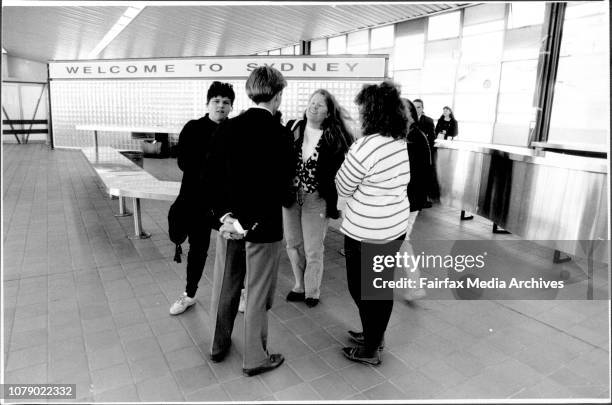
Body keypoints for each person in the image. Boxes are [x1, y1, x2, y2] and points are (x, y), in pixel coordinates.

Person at [206, 66, 294, 377]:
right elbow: (282, 189)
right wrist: (253, 221)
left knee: (225, 287)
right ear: (278, 95)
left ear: (250, 92)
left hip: (229, 226)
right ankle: (255, 357)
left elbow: (212, 179)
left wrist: (227, 217)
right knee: (257, 293)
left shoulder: (226, 129)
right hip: (264, 229)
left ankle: (218, 345)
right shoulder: (281, 135)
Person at [335, 80, 411, 366]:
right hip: (393, 228)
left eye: (363, 109)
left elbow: (343, 186)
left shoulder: (365, 146)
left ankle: (370, 348)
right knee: (379, 287)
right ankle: (373, 334)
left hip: (366, 231)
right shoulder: (399, 141)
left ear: (373, 112)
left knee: (361, 288)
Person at [169, 81, 235, 315]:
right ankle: (189, 295)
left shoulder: (235, 130)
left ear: (231, 107)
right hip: (197, 202)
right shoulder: (193, 128)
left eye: (226, 102)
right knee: (198, 250)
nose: (220, 106)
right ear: (207, 104)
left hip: (226, 205)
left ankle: (240, 293)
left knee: (236, 250)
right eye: (216, 101)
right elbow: (183, 162)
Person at [283, 89, 353, 308]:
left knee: (313, 248)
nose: (313, 106)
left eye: (320, 105)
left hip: (317, 198)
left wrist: (337, 202)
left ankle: (312, 290)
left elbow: (341, 172)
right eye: (311, 102)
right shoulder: (294, 128)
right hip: (291, 196)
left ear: (328, 112)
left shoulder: (334, 137)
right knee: (293, 244)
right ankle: (299, 284)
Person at [400, 98, 433, 302]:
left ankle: (416, 285)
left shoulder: (414, 138)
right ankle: (415, 285)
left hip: (408, 200)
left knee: (401, 241)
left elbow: (414, 174)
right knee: (400, 241)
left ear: (411, 115)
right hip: (408, 199)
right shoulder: (409, 136)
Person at [413, 98, 437, 207]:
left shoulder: (428, 121)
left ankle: (422, 200)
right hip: (411, 153)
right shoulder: (408, 119)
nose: (416, 109)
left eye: (418, 107)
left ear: (422, 108)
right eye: (414, 107)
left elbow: (432, 138)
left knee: (422, 178)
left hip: (422, 154)